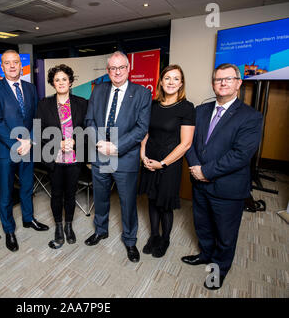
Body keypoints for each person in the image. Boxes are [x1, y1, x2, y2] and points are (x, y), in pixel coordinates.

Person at [184, 63, 263, 290]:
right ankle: (205, 254)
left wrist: (206, 171)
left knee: (226, 234)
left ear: (238, 83)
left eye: (228, 79)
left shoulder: (251, 117)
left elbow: (240, 155)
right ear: (213, 83)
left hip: (228, 188)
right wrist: (197, 167)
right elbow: (189, 143)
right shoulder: (200, 110)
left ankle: (219, 269)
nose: (223, 83)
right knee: (203, 225)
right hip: (199, 183)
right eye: (219, 79)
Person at [84, 51, 152, 263]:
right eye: (113, 68)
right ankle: (101, 230)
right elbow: (89, 121)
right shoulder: (99, 90)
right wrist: (98, 143)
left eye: (121, 67)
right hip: (100, 154)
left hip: (125, 157)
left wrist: (116, 147)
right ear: (108, 71)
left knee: (127, 202)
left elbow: (141, 128)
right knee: (101, 197)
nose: (117, 72)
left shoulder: (141, 93)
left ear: (128, 68)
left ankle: (130, 240)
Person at [0, 50, 49, 252]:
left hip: (28, 147)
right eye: (8, 63)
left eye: (16, 62)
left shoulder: (31, 88)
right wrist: (17, 143)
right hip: (6, 149)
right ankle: (9, 230)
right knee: (6, 192)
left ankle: (28, 219)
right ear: (2, 67)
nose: (13, 66)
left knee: (27, 186)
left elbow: (37, 118)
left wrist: (29, 141)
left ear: (21, 66)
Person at [139, 65, 195, 258]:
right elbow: (147, 133)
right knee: (152, 200)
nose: (171, 82)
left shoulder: (187, 108)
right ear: (161, 82)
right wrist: (143, 155)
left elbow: (186, 144)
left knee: (165, 204)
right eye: (167, 78)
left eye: (176, 79)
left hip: (169, 164)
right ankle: (154, 236)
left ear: (181, 84)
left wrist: (162, 163)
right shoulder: (153, 105)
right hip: (150, 159)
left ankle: (165, 239)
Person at [36, 64, 88, 249]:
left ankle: (69, 226)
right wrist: (58, 143)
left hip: (75, 158)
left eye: (64, 79)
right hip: (55, 159)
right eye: (57, 80)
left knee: (71, 195)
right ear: (52, 83)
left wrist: (75, 141)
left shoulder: (82, 103)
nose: (61, 82)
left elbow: (88, 129)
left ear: (70, 81)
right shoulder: (44, 104)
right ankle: (58, 226)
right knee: (56, 194)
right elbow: (38, 131)